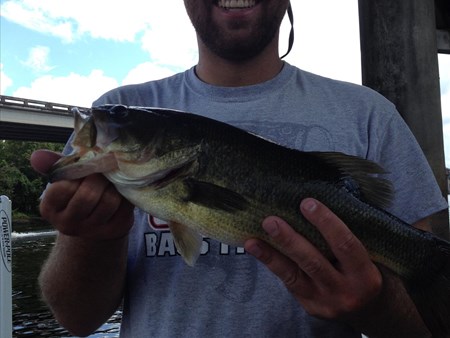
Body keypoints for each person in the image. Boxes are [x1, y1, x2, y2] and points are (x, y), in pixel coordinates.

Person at [31, 1, 448, 337]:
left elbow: (427, 326)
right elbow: (77, 321)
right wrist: (90, 238)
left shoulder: (369, 116)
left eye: (122, 116)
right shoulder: (114, 110)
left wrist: (375, 306)